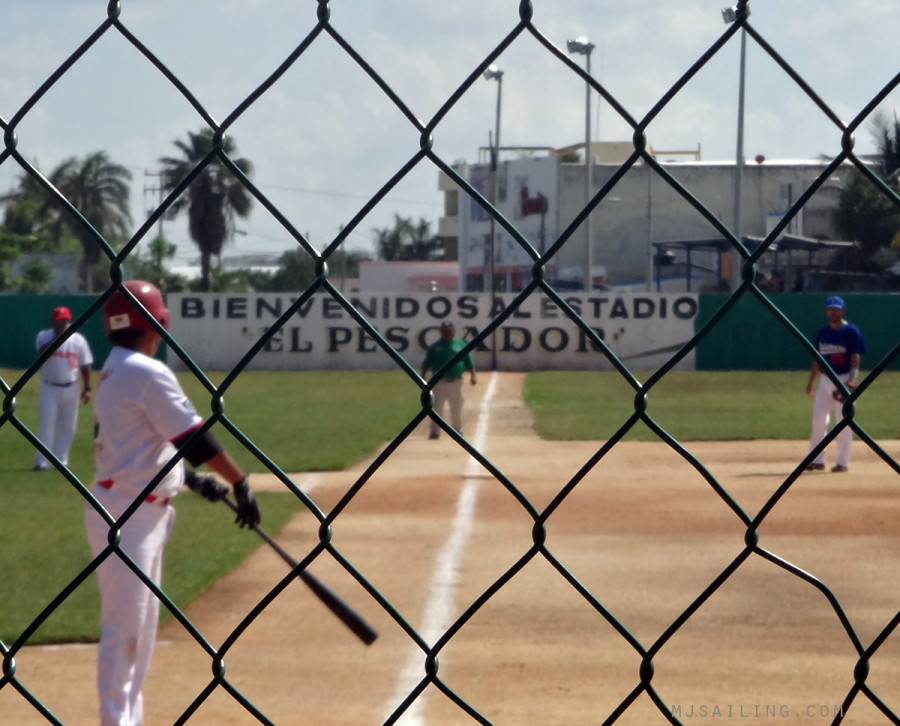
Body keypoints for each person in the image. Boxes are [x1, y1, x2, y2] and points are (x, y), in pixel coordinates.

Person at [83, 280, 261, 726]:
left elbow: (143, 444)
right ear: (158, 324)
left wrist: (190, 480)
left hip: (130, 507)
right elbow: (193, 438)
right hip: (128, 514)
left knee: (138, 635)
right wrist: (240, 482)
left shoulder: (118, 367)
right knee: (126, 632)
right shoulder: (145, 371)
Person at [805, 295, 866, 473]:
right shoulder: (823, 331)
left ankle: (842, 462)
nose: (833, 311)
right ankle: (816, 460)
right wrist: (811, 382)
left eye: (836, 308)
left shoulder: (851, 331)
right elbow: (817, 359)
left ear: (843, 310)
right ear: (826, 311)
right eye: (830, 308)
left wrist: (852, 380)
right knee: (818, 420)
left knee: (844, 422)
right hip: (825, 380)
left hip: (844, 378)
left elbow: (855, 358)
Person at [33, 306, 94, 471]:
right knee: (46, 423)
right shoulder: (44, 336)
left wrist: (87, 387)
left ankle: (61, 458)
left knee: (69, 425)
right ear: (53, 322)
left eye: (65, 321)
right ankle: (42, 461)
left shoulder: (78, 340)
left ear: (69, 321)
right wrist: (58, 337)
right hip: (49, 387)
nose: (62, 324)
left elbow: (85, 363)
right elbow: (42, 352)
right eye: (59, 321)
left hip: (71, 387)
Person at [420, 321, 477, 439]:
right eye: (445, 331)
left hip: (456, 381)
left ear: (454, 332)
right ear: (441, 332)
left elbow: (469, 362)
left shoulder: (460, 345)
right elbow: (426, 363)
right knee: (436, 406)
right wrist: (423, 377)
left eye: (449, 331)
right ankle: (434, 432)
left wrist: (473, 375)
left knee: (457, 405)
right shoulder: (434, 347)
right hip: (438, 382)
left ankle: (457, 430)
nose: (447, 333)